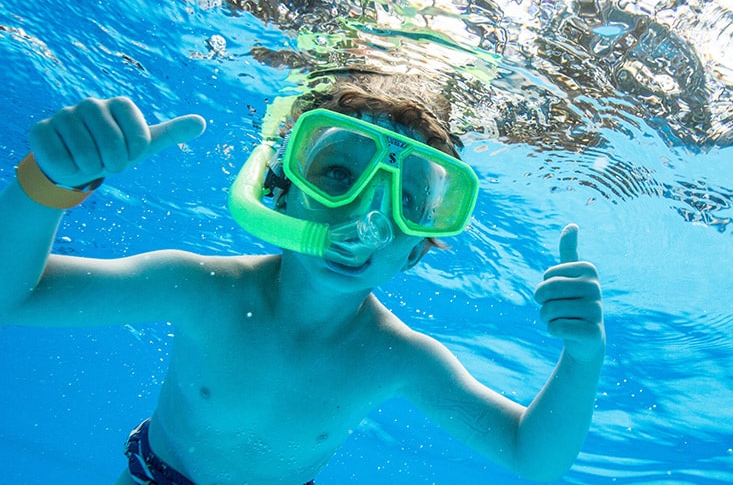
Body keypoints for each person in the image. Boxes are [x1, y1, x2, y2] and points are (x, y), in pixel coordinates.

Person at [0, 70, 605, 485]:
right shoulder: (200, 288)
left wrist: (581, 358)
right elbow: (14, 297)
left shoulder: (396, 359)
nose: (366, 217)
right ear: (278, 192)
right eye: (338, 173)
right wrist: (47, 185)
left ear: (417, 253)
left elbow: (533, 456)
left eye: (408, 202)